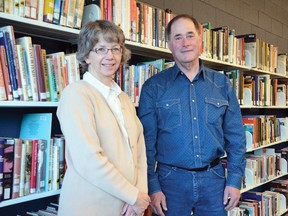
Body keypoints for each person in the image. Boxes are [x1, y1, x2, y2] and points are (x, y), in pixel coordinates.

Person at [138, 14, 246, 216]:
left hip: (214, 181)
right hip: (170, 181)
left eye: (190, 35)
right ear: (169, 44)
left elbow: (236, 137)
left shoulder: (221, 84)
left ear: (200, 40)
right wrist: (153, 187)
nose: (185, 43)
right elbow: (145, 143)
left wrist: (234, 180)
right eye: (178, 37)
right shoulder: (153, 87)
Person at [56, 20, 150, 216]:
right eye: (100, 49)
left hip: (128, 207)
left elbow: (139, 151)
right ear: (86, 56)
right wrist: (133, 196)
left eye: (115, 49)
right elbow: (88, 159)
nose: (110, 56)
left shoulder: (123, 98)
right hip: (91, 207)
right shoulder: (76, 94)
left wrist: (140, 195)